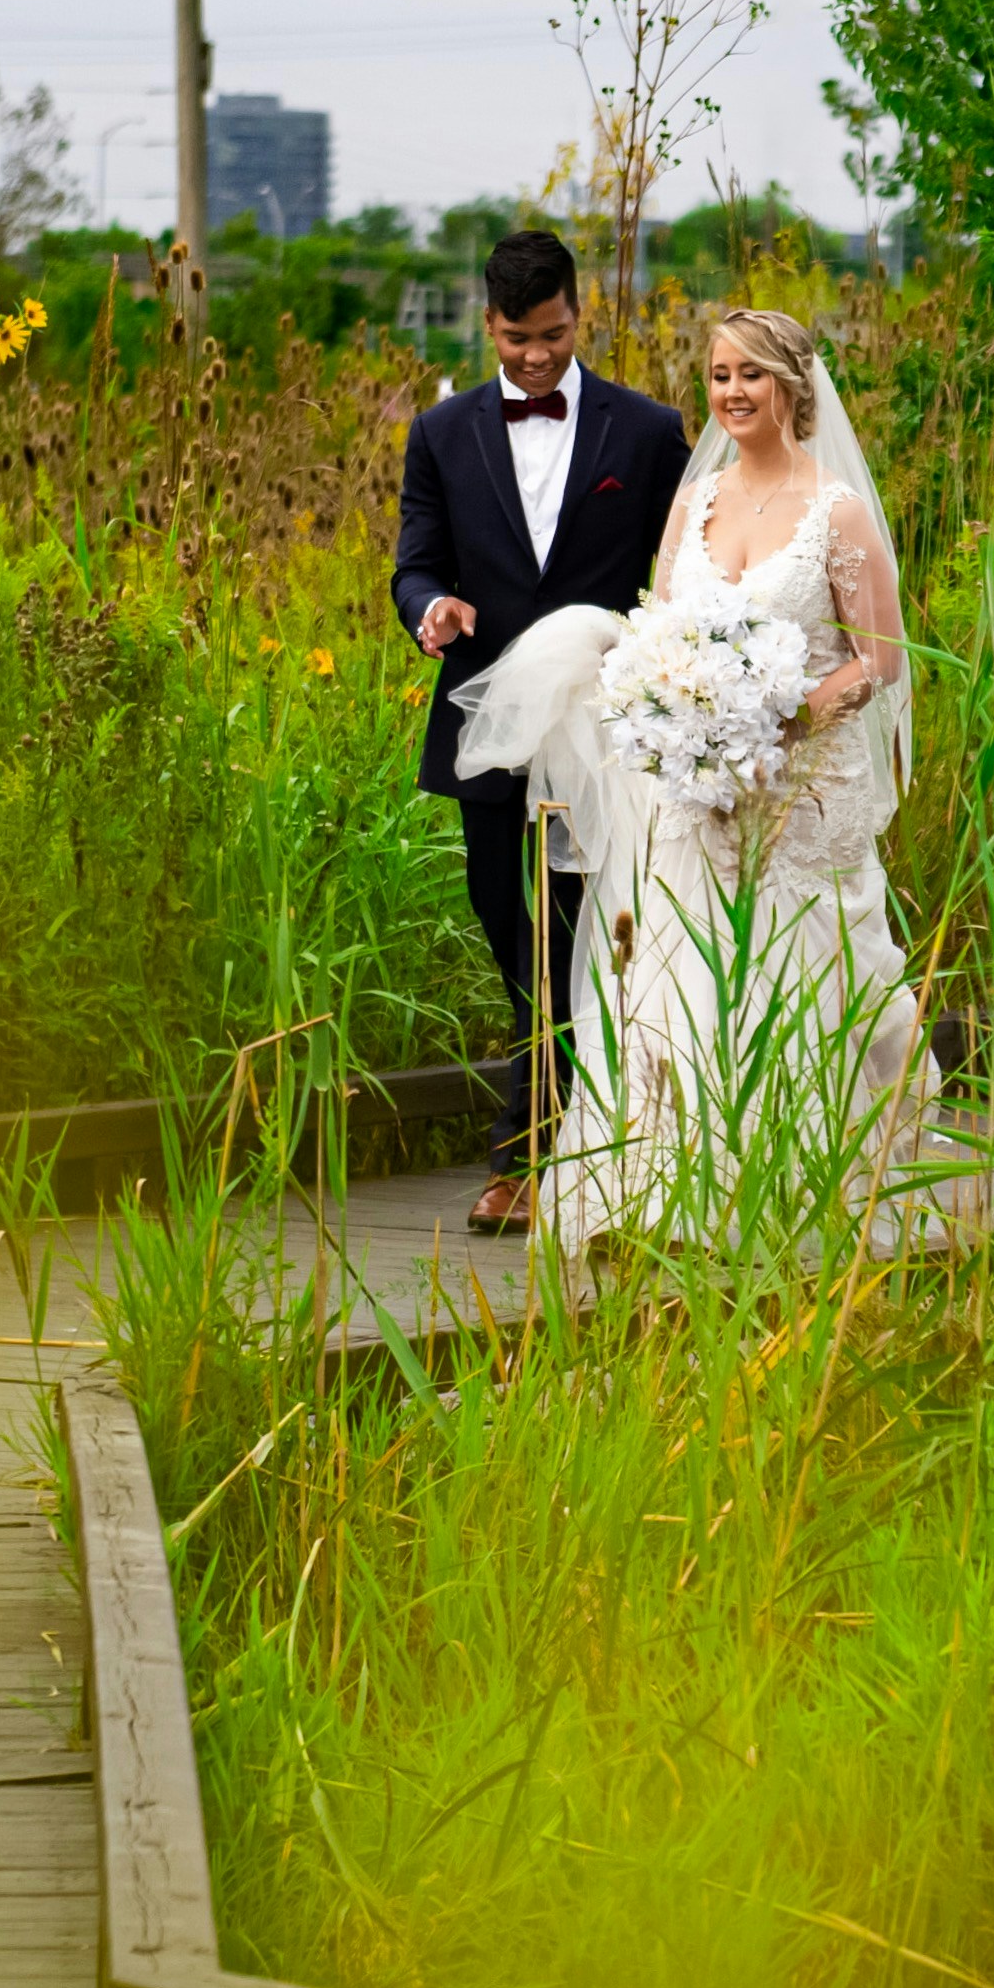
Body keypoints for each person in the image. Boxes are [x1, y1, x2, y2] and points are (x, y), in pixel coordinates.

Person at [447, 304, 928, 1256]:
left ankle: (799, 1182)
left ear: (793, 386)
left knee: (802, 969)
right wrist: (674, 709)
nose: (732, 393)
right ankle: (669, 1195)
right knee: (677, 975)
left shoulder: (836, 510)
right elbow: (663, 632)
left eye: (751, 375)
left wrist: (783, 719)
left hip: (799, 791)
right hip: (696, 795)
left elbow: (879, 659)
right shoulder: (694, 502)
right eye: (719, 376)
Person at [389, 229, 693, 1234]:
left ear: (578, 317)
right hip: (488, 728)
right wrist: (431, 609)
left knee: (573, 933)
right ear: (489, 324)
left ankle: (525, 1159)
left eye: (552, 336)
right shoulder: (440, 434)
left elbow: (682, 574)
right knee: (508, 927)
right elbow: (415, 563)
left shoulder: (646, 432)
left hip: (604, 734)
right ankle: (565, 1132)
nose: (534, 357)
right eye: (516, 338)